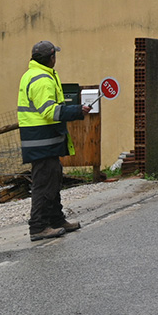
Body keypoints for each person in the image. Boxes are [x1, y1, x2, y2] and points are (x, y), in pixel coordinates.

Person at [18, 40, 92, 241]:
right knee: (44, 184)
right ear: (52, 58)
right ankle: (39, 227)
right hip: (41, 140)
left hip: (43, 140)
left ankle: (57, 220)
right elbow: (50, 111)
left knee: (53, 179)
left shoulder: (35, 75)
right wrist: (77, 110)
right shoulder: (42, 79)